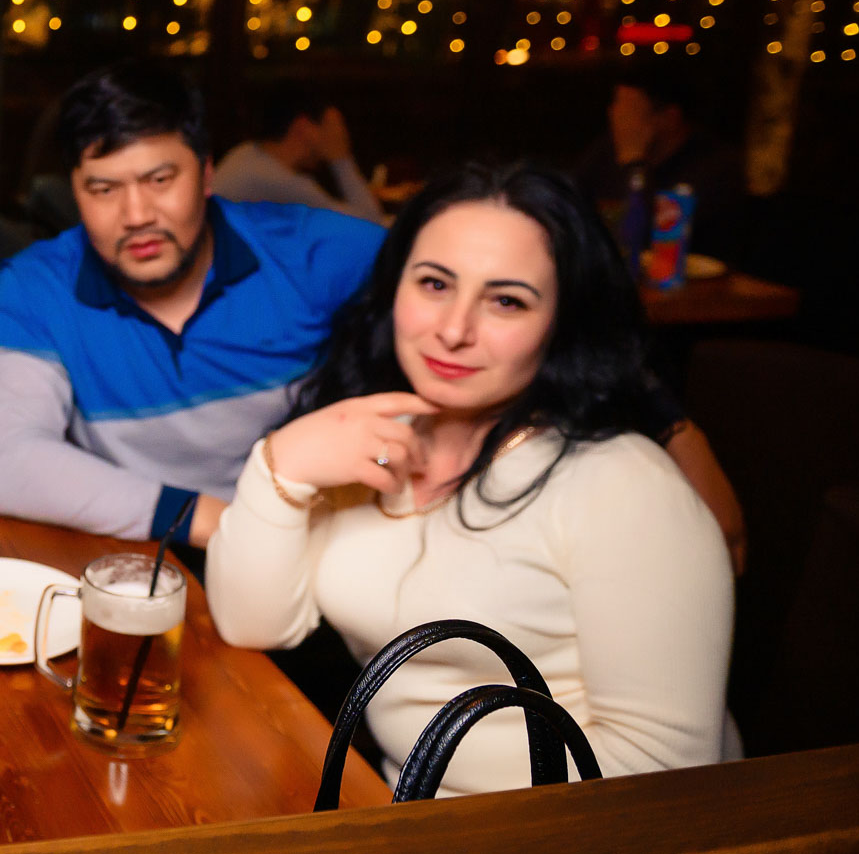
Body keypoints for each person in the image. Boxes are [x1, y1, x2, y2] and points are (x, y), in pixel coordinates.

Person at [205, 162, 735, 797]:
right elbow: (253, 624)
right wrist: (280, 464)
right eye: (434, 284)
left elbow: (666, 769)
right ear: (393, 286)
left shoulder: (623, 486)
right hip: (399, 810)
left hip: (563, 837)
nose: (453, 330)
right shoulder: (366, 437)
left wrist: (422, 796)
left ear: (562, 321)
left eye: (506, 301)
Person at [0, 61, 387, 551]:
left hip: (310, 543)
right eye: (104, 189)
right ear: (76, 191)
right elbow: (12, 462)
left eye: (160, 180)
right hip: (138, 550)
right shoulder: (37, 285)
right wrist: (221, 524)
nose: (136, 216)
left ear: (206, 174)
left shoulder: (310, 253)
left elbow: (448, 275)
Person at [574, 63, 745, 261]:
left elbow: (649, 242)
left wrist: (634, 164)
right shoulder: (605, 153)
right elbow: (565, 210)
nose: (615, 116)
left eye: (629, 111)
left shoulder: (714, 169)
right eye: (615, 106)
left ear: (669, 119)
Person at [209, 82, 386, 223]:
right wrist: (342, 159)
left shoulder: (247, 154)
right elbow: (370, 223)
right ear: (304, 127)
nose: (341, 135)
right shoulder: (275, 180)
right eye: (332, 127)